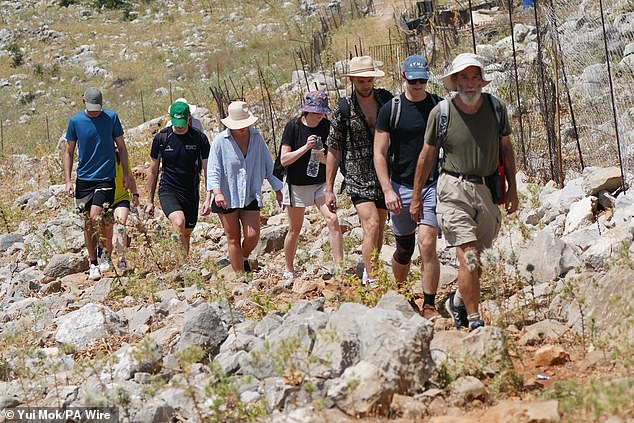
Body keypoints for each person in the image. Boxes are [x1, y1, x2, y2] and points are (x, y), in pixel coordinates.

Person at [410, 53, 519, 331]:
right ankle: (474, 318)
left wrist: (513, 189)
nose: (470, 83)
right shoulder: (442, 113)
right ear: (455, 81)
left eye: (474, 77)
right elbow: (426, 156)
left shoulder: (496, 108)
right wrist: (416, 197)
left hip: (486, 189)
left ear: (482, 80)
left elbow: (506, 148)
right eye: (463, 77)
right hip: (453, 190)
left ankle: (458, 300)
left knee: (476, 261)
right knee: (468, 255)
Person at [374, 55, 442, 320]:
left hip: (431, 185)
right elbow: (379, 153)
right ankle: (401, 294)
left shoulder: (438, 106)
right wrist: (387, 190)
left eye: (423, 80)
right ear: (403, 78)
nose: (418, 85)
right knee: (405, 249)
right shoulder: (391, 109)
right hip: (399, 185)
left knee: (427, 243)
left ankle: (429, 303)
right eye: (413, 80)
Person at [325, 56, 393, 288]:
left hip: (384, 174)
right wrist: (329, 189)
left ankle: (370, 267)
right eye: (361, 81)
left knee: (379, 226)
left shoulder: (386, 100)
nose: (365, 85)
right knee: (372, 223)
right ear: (352, 80)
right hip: (356, 175)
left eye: (368, 80)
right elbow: (334, 148)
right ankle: (371, 276)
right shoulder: (343, 108)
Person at [64, 87, 131, 281]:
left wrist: (126, 174)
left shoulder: (111, 118)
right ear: (83, 101)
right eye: (91, 108)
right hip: (84, 179)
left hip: (105, 177)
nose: (95, 112)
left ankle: (104, 254)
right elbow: (69, 151)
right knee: (87, 223)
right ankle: (93, 262)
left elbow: (122, 147)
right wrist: (68, 181)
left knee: (96, 217)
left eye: (97, 108)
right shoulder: (75, 121)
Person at [208, 101, 283, 273]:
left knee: (252, 235)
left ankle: (243, 257)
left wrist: (278, 189)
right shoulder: (220, 141)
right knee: (233, 238)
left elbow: (267, 165)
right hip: (226, 196)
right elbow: (213, 169)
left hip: (250, 193)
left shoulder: (256, 138)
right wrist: (217, 192)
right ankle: (240, 278)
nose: (242, 128)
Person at [280, 91, 343, 279]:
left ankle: (340, 267)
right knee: (295, 228)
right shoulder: (293, 127)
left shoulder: (327, 126)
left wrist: (324, 158)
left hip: (320, 183)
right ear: (307, 110)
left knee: (332, 220)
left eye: (322, 111)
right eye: (316, 111)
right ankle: (289, 268)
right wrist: (305, 148)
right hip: (296, 185)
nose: (319, 115)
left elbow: (334, 159)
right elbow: (284, 159)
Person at [146, 101, 211, 255]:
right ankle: (178, 267)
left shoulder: (199, 138)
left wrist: (208, 198)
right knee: (178, 222)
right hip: (168, 189)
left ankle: (183, 267)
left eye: (182, 122)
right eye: (176, 123)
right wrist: (149, 201)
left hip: (190, 191)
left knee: (187, 233)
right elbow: (153, 170)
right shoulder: (162, 138)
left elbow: (209, 169)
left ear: (189, 118)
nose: (180, 126)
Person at [101, 146, 140, 270]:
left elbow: (130, 176)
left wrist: (135, 194)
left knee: (120, 225)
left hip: (121, 198)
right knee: (107, 231)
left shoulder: (121, 159)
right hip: (104, 200)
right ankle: (106, 256)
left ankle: (121, 258)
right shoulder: (99, 160)